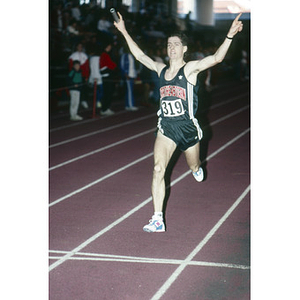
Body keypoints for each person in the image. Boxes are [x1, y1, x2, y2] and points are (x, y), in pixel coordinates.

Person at [114, 12, 243, 232]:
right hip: (166, 129)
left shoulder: (190, 69)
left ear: (184, 49)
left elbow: (216, 59)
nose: (171, 47)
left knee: (193, 165)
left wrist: (229, 36)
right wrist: (124, 31)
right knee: (157, 169)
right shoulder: (161, 70)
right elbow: (140, 57)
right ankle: (157, 219)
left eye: (176, 44)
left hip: (188, 129)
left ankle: (196, 167)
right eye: (168, 44)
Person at [100, 42, 117, 115]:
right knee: (108, 93)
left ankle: (105, 108)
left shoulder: (106, 54)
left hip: (107, 75)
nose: (109, 48)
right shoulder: (105, 55)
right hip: (107, 76)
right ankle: (105, 109)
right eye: (108, 47)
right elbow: (111, 65)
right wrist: (114, 66)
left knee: (108, 93)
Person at [120, 45, 138, 111]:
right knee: (130, 91)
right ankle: (131, 105)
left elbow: (132, 67)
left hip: (132, 75)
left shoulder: (131, 56)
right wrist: (126, 74)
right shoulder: (125, 56)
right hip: (128, 76)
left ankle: (127, 105)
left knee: (129, 90)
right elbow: (122, 66)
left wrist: (135, 75)